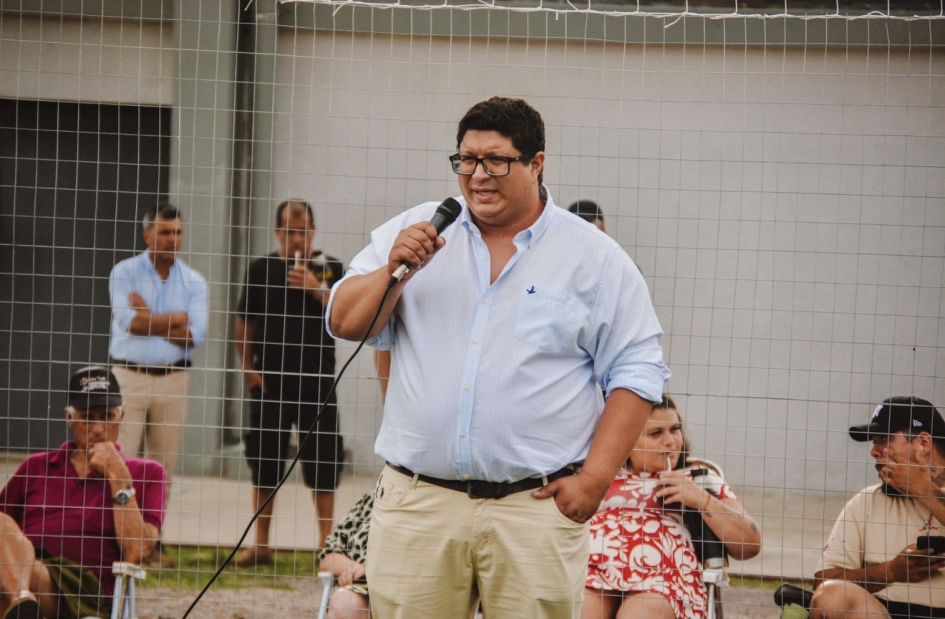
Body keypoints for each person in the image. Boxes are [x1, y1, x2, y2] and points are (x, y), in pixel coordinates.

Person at [327, 96, 671, 619]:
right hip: (419, 505)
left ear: (536, 163)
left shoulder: (594, 258)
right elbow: (345, 321)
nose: (477, 175)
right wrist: (394, 270)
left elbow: (638, 368)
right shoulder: (419, 230)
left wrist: (595, 480)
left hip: (533, 511)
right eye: (466, 159)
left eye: (496, 160)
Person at [0, 366, 167, 619]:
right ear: (70, 418)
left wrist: (118, 477)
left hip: (85, 590)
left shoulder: (148, 473)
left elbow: (137, 550)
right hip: (29, 570)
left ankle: (21, 603)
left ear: (121, 417)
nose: (98, 428)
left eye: (107, 416)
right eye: (88, 417)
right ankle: (22, 603)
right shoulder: (35, 467)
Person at [235, 199, 345, 566]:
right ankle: (261, 544)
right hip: (270, 384)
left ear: (312, 230)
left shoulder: (330, 267)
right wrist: (248, 368)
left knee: (323, 462)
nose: (296, 238)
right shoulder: (261, 269)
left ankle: (326, 544)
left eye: (303, 230)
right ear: (278, 232)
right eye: (289, 231)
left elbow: (345, 314)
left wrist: (316, 287)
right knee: (265, 462)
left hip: (317, 381)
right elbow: (244, 321)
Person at [582, 395, 761, 619]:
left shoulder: (698, 477)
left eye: (674, 430)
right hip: (595, 571)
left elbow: (750, 545)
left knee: (639, 614)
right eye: (656, 433)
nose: (670, 442)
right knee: (579, 609)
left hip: (663, 579)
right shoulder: (601, 474)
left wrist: (700, 498)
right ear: (626, 438)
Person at [108, 203, 208, 567]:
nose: (173, 239)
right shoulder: (125, 272)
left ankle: (154, 542)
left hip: (174, 380)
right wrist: (175, 320)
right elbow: (128, 324)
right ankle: (121, 539)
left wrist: (149, 316)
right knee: (124, 462)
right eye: (165, 232)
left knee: (162, 467)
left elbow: (196, 336)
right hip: (129, 379)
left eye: (178, 232)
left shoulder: (194, 281)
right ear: (148, 234)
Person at [810, 396, 945, 619]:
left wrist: (922, 489)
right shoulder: (867, 502)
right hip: (882, 613)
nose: (874, 451)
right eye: (874, 441)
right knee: (832, 596)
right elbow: (824, 582)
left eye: (884, 439)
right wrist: (890, 572)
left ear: (923, 443)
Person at [319, 492, 375, 619]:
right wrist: (357, 571)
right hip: (365, 587)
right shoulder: (372, 499)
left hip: (412, 589)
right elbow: (328, 555)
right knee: (345, 604)